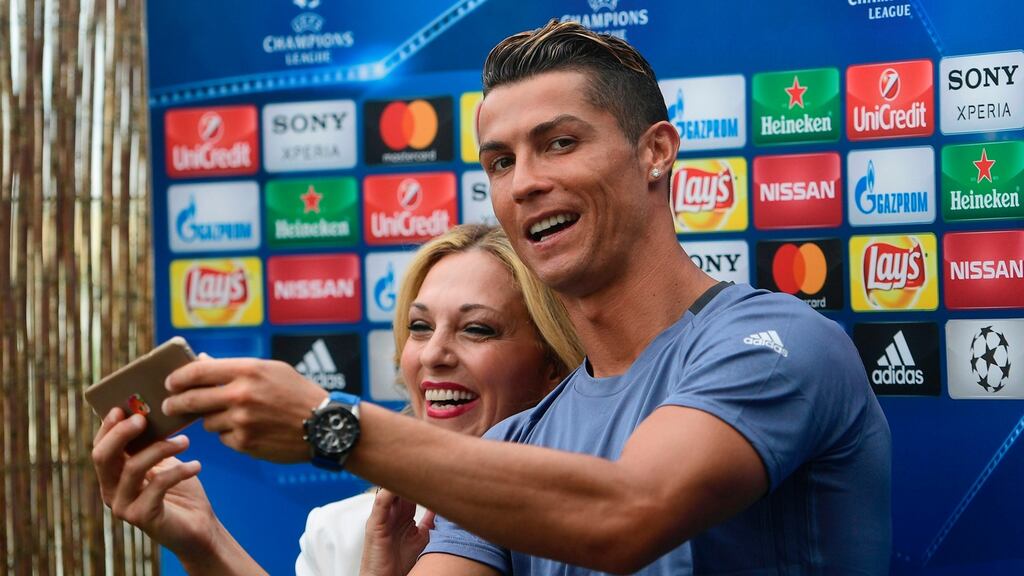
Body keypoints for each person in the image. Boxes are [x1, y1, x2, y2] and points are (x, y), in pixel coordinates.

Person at [155, 20, 892, 574]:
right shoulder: (515, 444)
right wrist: (206, 542)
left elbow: (628, 513)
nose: (525, 181)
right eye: (501, 160)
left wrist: (334, 427)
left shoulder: (777, 344)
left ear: (656, 152)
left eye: (559, 143)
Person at [91, 224, 585, 575]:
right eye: (419, 327)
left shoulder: (604, 517)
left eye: (477, 329)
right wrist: (205, 542)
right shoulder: (343, 530)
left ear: (555, 362)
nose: (433, 354)